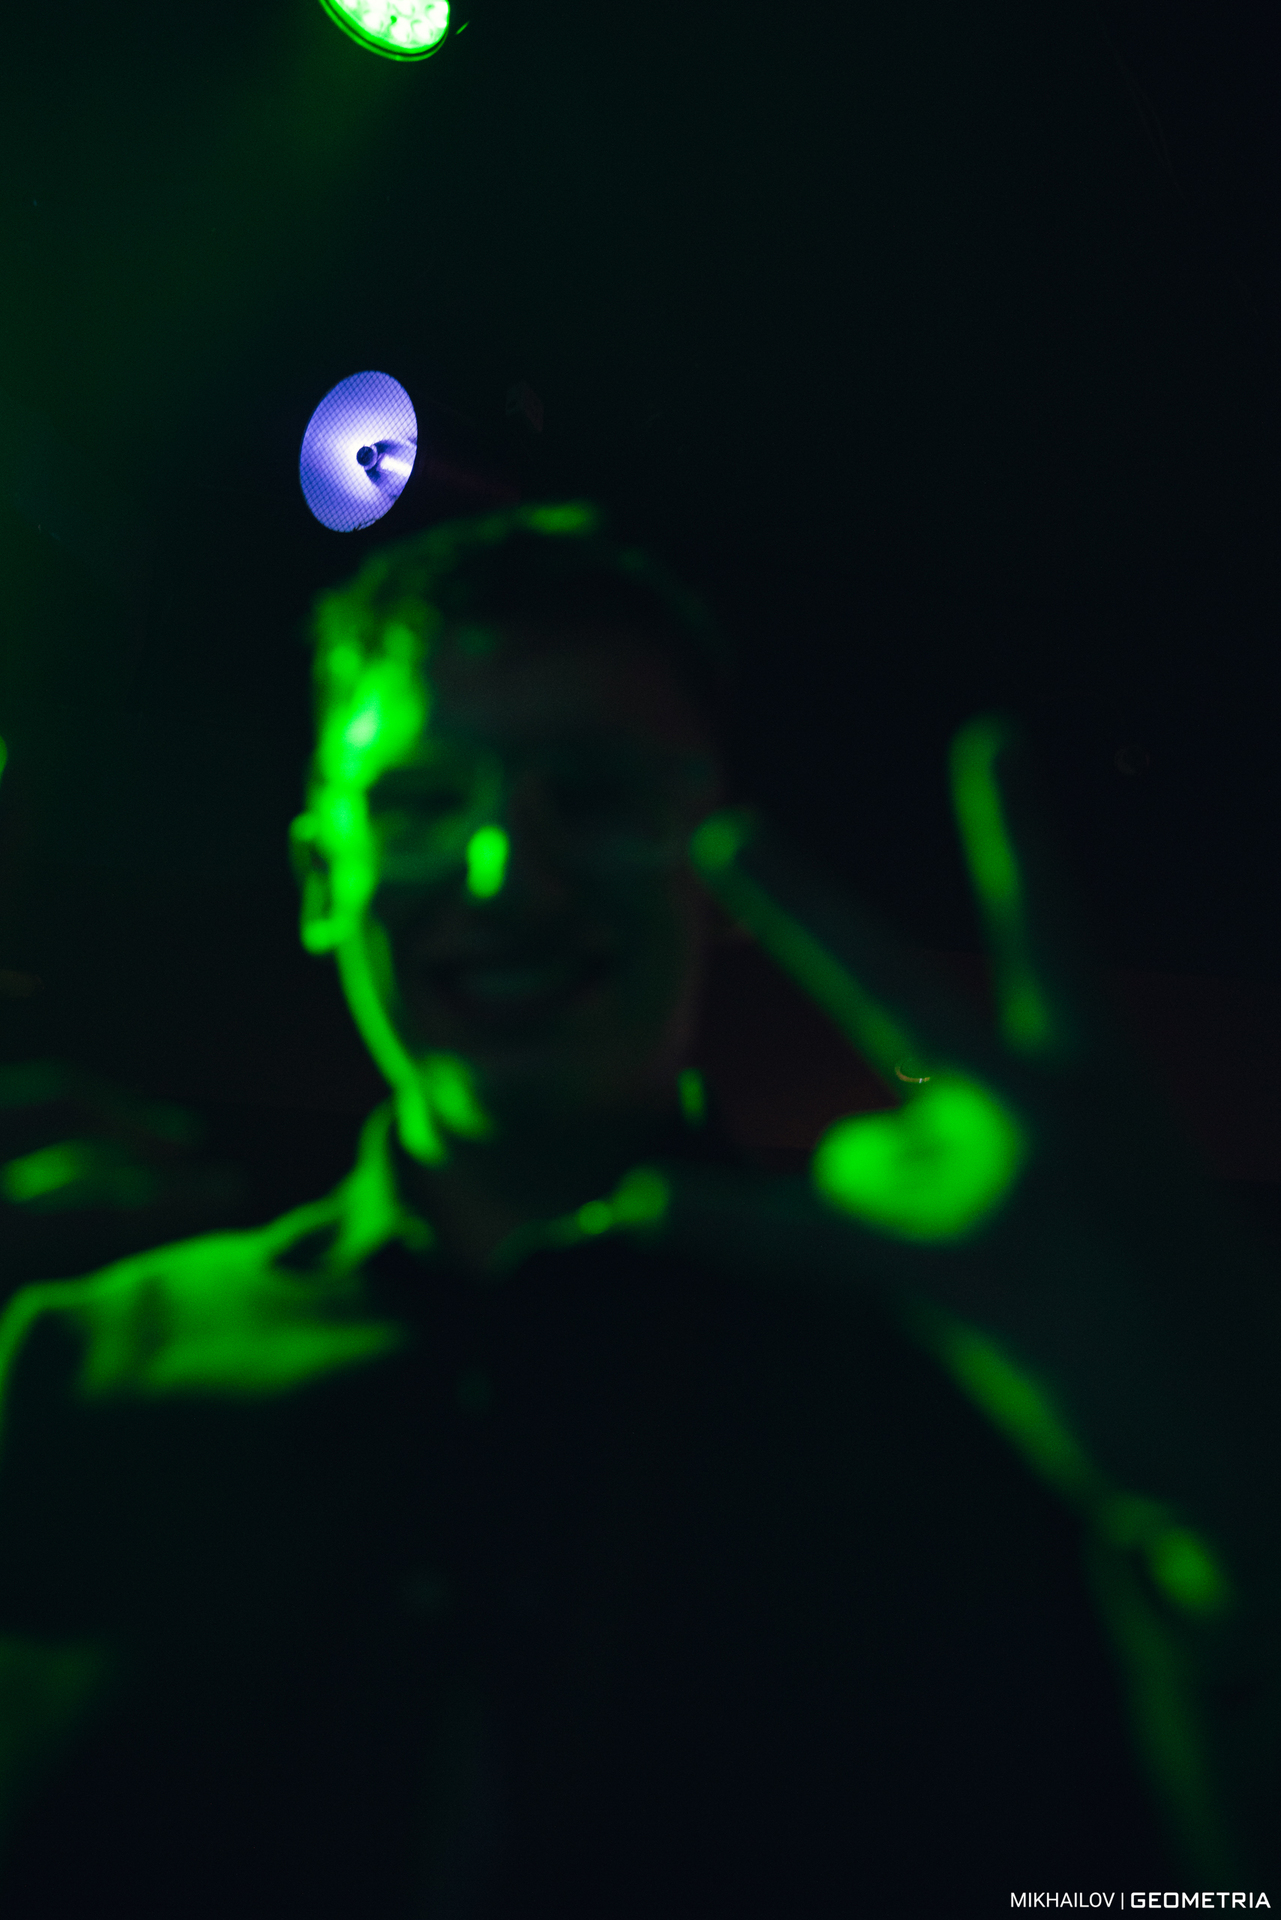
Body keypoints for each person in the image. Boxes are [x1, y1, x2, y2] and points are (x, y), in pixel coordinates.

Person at [0, 503, 1274, 1917]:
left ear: (714, 868)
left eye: (596, 797)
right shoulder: (64, 1372)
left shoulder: (977, 1383)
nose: (508, 876)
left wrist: (1228, 1500)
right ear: (320, 880)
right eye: (419, 806)